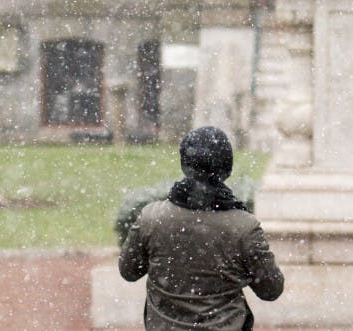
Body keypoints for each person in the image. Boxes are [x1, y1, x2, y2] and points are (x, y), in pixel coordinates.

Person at [119, 126, 284, 331]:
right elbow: (271, 290)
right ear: (227, 169)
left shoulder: (152, 218)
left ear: (184, 166)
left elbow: (128, 271)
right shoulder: (244, 226)